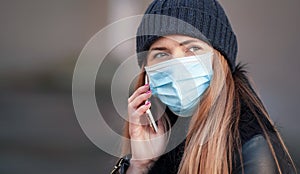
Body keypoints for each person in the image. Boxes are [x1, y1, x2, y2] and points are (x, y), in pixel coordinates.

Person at [111, 0, 297, 173]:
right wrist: (140, 166)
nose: (179, 65)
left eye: (192, 49)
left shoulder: (252, 151)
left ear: (219, 61)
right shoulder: (157, 141)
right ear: (147, 74)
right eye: (161, 54)